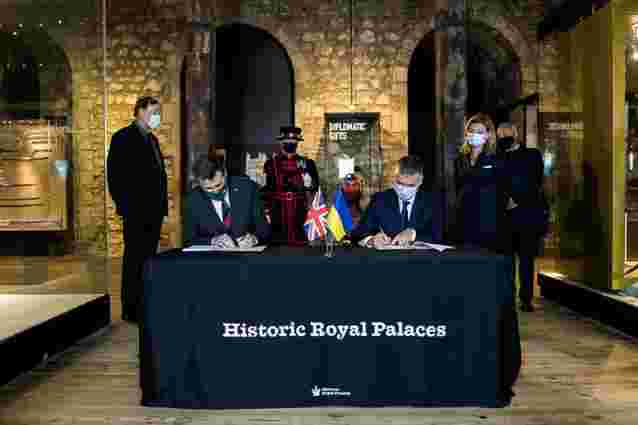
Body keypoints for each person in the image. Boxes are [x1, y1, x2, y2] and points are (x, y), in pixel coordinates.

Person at [107, 96, 167, 323]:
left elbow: (158, 174)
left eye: (158, 112)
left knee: (148, 259)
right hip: (135, 211)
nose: (157, 117)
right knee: (134, 259)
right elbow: (115, 176)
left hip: (153, 211)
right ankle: (131, 309)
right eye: (153, 112)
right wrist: (126, 207)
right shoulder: (123, 138)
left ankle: (145, 304)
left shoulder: (152, 139)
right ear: (140, 112)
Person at [497, 122, 547, 313]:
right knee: (507, 261)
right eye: (501, 135)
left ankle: (526, 299)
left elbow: (536, 181)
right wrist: (506, 200)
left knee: (526, 259)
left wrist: (517, 200)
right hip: (504, 216)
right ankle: (508, 299)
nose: (504, 137)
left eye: (507, 134)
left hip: (527, 214)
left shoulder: (532, 155)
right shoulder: (498, 156)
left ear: (516, 134)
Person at [351, 155, 442, 248]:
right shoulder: (380, 200)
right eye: (400, 184)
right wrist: (371, 240)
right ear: (394, 179)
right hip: (388, 256)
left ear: (420, 181)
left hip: (422, 257)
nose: (404, 190)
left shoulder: (432, 202)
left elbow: (439, 236)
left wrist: (413, 234)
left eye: (410, 186)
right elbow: (358, 233)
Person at [183, 156, 270, 247]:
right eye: (208, 188)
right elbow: (189, 240)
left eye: (219, 185)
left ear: (225, 174)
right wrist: (212, 241)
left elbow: (264, 230)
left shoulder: (247, 188)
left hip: (248, 254)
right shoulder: (192, 200)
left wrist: (254, 239)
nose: (215, 191)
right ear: (198, 183)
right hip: (212, 255)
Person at [262, 126, 319, 245]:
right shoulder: (271, 164)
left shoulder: (307, 163)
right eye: (287, 141)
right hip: (278, 211)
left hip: (300, 210)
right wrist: (266, 210)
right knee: (278, 245)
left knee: (301, 244)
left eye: (293, 141)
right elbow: (266, 189)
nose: (290, 143)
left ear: (297, 143)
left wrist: (308, 185)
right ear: (281, 142)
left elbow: (315, 188)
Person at [454, 117, 501, 251]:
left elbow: (501, 189)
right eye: (471, 131)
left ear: (488, 134)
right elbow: (458, 187)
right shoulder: (460, 159)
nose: (474, 134)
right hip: (465, 218)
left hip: (488, 220)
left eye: (479, 132)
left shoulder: (496, 158)